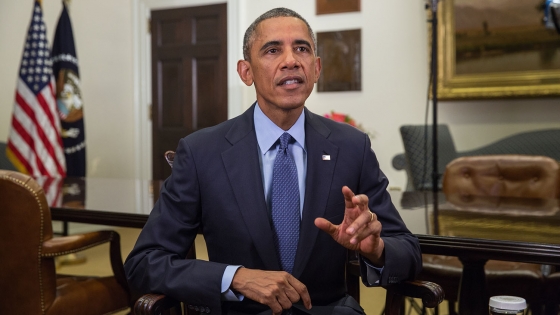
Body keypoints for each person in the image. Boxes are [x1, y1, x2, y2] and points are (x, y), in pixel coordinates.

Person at [124, 7, 421, 315]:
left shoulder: (351, 146)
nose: (291, 60)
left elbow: (407, 250)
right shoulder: (202, 152)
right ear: (246, 72)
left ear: (316, 68)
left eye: (302, 49)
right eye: (272, 50)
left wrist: (377, 250)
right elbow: (145, 262)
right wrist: (234, 277)